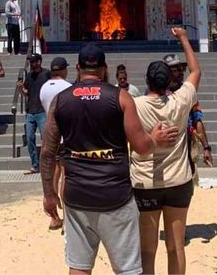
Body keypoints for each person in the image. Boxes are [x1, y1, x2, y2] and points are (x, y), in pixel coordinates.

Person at [40, 43, 180, 275]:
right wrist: (155, 139)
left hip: (77, 195)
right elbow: (141, 147)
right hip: (115, 195)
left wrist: (49, 193)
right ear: (104, 68)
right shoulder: (121, 98)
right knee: (127, 269)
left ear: (78, 68)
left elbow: (47, 152)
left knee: (79, 267)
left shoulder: (60, 101)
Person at [131, 27, 202, 275]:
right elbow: (195, 71)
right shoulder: (181, 101)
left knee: (147, 249)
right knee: (176, 246)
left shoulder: (135, 105)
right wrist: (183, 38)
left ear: (147, 81)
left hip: (145, 182)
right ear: (169, 80)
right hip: (178, 181)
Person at [39, 57, 72, 231]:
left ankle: (54, 217)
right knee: (65, 175)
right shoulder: (68, 87)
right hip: (65, 136)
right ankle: (66, 216)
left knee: (53, 173)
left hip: (50, 134)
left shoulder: (44, 88)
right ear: (64, 70)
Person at [164, 54, 212, 167]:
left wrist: (206, 147)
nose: (181, 72)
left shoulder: (187, 92)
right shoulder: (158, 92)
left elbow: (197, 120)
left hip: (187, 142)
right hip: (167, 145)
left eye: (182, 69)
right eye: (176, 69)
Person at [19, 53, 50, 174]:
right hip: (30, 112)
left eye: (33, 61)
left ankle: (47, 164)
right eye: (30, 62)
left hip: (42, 111)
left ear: (39, 62)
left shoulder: (46, 74)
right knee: (30, 138)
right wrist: (21, 89)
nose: (31, 64)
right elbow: (27, 93)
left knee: (45, 139)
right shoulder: (30, 75)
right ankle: (35, 165)